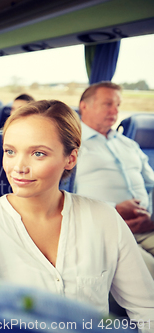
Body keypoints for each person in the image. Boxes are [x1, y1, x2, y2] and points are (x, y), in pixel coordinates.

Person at [0, 100, 154, 328]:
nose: (19, 167)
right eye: (10, 151)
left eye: (38, 154)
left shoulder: (104, 218)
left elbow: (146, 310)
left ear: (70, 159)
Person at [75, 81, 154, 276]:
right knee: (149, 273)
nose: (114, 110)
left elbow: (151, 185)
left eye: (118, 105)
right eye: (107, 104)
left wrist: (151, 219)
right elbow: (63, 196)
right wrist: (114, 208)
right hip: (105, 231)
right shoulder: (71, 146)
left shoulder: (129, 145)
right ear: (84, 106)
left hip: (146, 227)